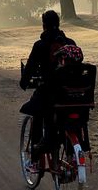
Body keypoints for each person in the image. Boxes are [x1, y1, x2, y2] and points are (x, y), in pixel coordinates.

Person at [19, 9, 75, 152]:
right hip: (70, 93)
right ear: (58, 23)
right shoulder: (70, 43)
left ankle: (37, 150)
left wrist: (24, 82)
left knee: (35, 108)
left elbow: (30, 66)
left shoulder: (40, 45)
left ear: (44, 25)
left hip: (49, 92)